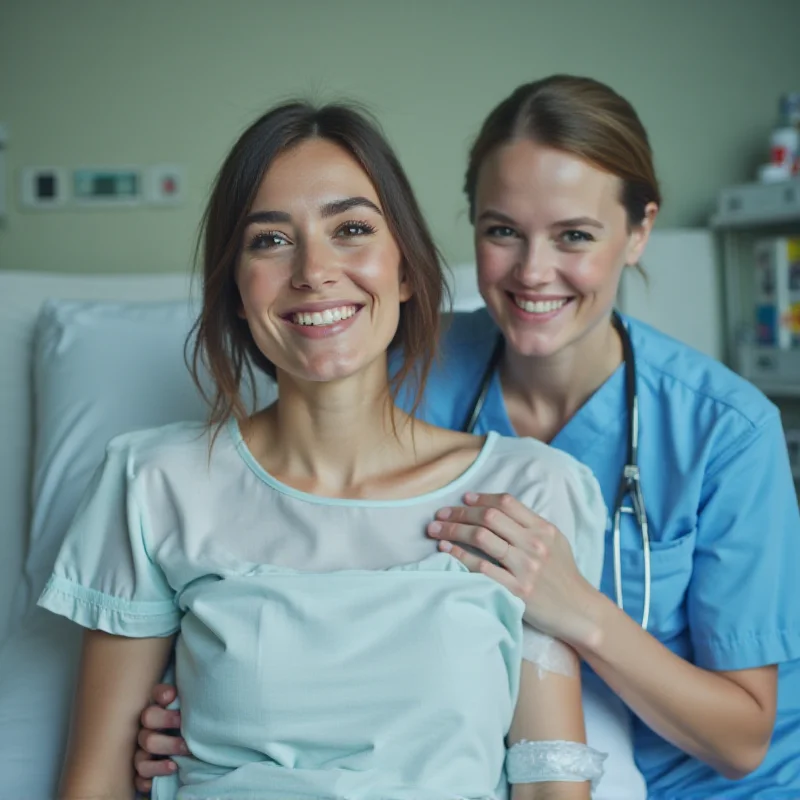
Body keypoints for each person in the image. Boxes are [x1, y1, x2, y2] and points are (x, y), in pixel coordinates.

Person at [136, 75, 800, 799]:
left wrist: (577, 609)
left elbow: (742, 740)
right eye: (502, 231)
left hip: (693, 783)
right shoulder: (401, 370)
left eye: (574, 235)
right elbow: (278, 546)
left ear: (639, 232)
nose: (533, 272)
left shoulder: (725, 431)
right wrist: (187, 715)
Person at [38, 100, 609, 800]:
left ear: (404, 270)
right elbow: (94, 782)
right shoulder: (155, 483)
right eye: (270, 241)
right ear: (237, 293)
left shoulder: (526, 490)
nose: (314, 270)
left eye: (352, 230)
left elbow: (551, 778)